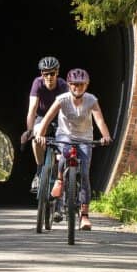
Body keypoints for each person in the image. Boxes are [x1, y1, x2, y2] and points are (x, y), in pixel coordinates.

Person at [34, 67, 112, 231]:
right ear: (69, 85)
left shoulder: (91, 100)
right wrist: (40, 134)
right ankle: (60, 179)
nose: (78, 88)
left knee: (84, 174)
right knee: (65, 153)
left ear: (87, 85)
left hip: (85, 137)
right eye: (74, 85)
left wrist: (105, 136)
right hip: (65, 135)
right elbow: (47, 118)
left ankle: (84, 216)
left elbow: (99, 121)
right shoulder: (62, 99)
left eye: (81, 85)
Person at [21, 56, 68, 194]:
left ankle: (64, 183)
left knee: (64, 150)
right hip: (41, 117)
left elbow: (67, 109)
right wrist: (30, 130)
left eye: (52, 73)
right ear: (41, 74)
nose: (48, 77)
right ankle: (39, 171)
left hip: (59, 118)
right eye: (45, 73)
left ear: (57, 73)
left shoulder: (63, 85)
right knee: (36, 139)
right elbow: (32, 110)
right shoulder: (38, 83)